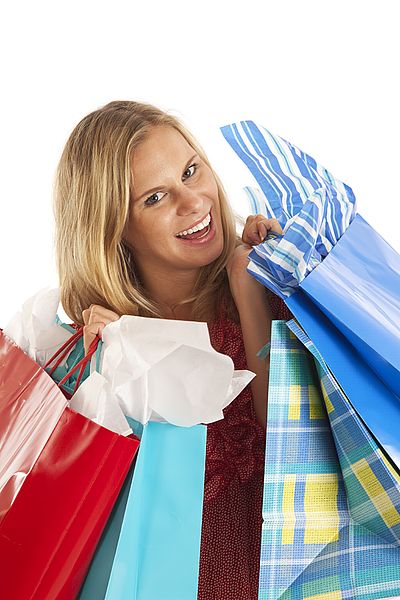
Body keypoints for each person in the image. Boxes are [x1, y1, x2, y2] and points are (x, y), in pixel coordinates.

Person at [54, 100, 291, 599]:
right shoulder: (96, 346)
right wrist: (102, 369)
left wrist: (247, 289)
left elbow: (296, 434)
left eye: (191, 171)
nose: (193, 202)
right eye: (155, 197)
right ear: (112, 226)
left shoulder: (276, 283)